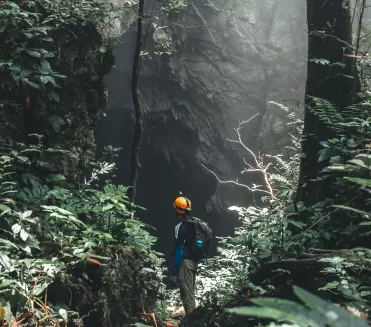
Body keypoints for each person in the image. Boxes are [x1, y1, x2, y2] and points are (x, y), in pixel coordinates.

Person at [170, 195, 199, 320]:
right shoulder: (195, 223)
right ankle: (194, 319)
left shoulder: (180, 226)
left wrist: (175, 271)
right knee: (190, 292)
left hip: (185, 263)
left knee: (186, 294)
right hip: (193, 262)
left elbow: (180, 249)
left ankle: (193, 322)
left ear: (176, 210)